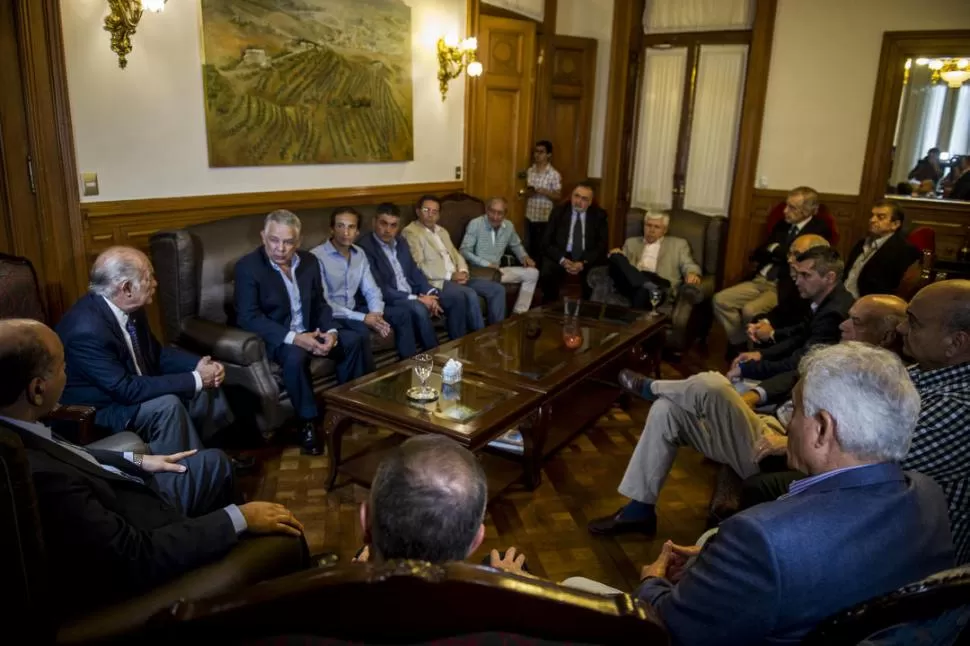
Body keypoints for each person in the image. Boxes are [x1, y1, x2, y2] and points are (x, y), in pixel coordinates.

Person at [635, 343, 953, 645]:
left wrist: (652, 582)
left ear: (822, 428)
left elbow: (675, 631)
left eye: (796, 410)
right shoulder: (929, 494)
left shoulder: (760, 539)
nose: (788, 425)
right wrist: (723, 566)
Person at [0, 319, 306, 615]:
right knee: (282, 530)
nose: (69, 374)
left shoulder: (19, 426)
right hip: (147, 533)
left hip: (129, 491)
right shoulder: (40, 476)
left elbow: (76, 454)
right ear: (37, 389)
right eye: (64, 366)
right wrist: (237, 519)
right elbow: (135, 556)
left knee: (213, 462)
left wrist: (140, 460)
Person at [587, 294, 907, 538]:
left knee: (713, 384)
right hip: (770, 423)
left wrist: (784, 442)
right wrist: (758, 395)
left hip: (777, 449)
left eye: (856, 322)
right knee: (667, 409)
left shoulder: (878, 381)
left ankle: (652, 386)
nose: (842, 324)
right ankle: (639, 510)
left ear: (886, 335)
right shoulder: (848, 357)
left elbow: (849, 443)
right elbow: (795, 374)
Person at [743, 280, 970, 564]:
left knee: (761, 500)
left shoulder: (960, 406)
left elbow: (859, 464)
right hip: (872, 509)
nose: (900, 329)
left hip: (896, 549)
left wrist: (799, 438)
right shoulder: (925, 371)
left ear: (956, 342)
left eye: (913, 322)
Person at [57, 246, 234, 456]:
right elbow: (126, 389)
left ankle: (213, 455)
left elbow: (156, 354)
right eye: (149, 278)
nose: (155, 284)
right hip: (101, 411)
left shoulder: (132, 308)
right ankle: (182, 475)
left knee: (205, 385)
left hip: (129, 391)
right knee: (169, 405)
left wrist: (199, 366)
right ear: (127, 288)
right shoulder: (86, 330)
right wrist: (195, 378)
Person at [234, 210, 367, 456]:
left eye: (288, 242)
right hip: (278, 338)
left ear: (299, 241)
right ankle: (307, 423)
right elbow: (248, 317)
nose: (280, 248)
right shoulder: (248, 268)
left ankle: (348, 408)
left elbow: (319, 304)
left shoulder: (308, 262)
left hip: (310, 330)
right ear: (263, 236)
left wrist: (331, 332)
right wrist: (295, 338)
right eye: (274, 240)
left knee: (354, 339)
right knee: (295, 357)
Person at [713, 186, 833, 354]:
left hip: (783, 285)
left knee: (750, 310)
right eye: (786, 205)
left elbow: (797, 259)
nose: (785, 211)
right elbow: (760, 251)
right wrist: (777, 252)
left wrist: (776, 251)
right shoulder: (782, 225)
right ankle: (739, 342)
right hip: (761, 278)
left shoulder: (819, 229)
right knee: (721, 300)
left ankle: (753, 352)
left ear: (807, 211)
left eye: (792, 207)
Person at [726, 246, 853, 387]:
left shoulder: (833, 313)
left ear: (829, 277)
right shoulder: (824, 300)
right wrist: (762, 355)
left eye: (806, 275)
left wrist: (748, 370)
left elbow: (800, 362)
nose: (798, 281)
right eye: (798, 274)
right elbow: (798, 337)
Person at [353, 435, 486, 564]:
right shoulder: (497, 584)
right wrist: (502, 578)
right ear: (476, 542)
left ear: (365, 519)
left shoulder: (338, 580)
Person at [310, 207, 414, 364]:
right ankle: (366, 381)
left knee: (403, 314)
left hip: (354, 308)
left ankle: (411, 368)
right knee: (361, 331)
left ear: (357, 231)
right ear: (331, 229)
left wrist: (376, 313)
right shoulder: (316, 257)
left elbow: (371, 289)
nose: (346, 232)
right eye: (340, 226)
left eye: (351, 227)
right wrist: (364, 318)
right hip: (333, 314)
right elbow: (325, 303)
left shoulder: (360, 253)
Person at [358, 203, 469, 347]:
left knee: (456, 298)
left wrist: (431, 293)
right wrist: (419, 299)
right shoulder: (364, 248)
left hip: (414, 292)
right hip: (393, 298)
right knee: (418, 308)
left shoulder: (401, 241)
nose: (388, 230)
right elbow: (381, 289)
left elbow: (414, 271)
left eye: (393, 225)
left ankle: (457, 349)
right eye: (383, 223)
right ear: (374, 222)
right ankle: (434, 355)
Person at [403, 195, 506, 327]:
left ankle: (497, 333)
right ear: (418, 211)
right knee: (469, 294)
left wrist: (463, 271)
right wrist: (450, 276)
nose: (430, 214)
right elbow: (418, 265)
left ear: (439, 215)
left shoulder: (442, 231)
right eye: (426, 210)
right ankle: (479, 338)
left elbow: (456, 254)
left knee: (497, 289)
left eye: (434, 211)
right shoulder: (411, 232)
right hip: (438, 281)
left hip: (457, 276)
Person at [606, 212, 702, 310]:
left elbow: (688, 264)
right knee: (615, 256)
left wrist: (692, 273)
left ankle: (646, 285)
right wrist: (615, 255)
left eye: (656, 227)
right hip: (632, 282)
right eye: (648, 225)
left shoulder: (678, 245)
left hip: (658, 282)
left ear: (664, 230)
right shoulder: (631, 242)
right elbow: (623, 267)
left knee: (643, 288)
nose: (651, 230)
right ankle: (644, 282)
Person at [459, 196, 539, 315]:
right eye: (492, 212)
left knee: (533, 273)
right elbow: (464, 250)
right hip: (478, 272)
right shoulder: (475, 224)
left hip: (498, 271)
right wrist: (486, 264)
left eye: (500, 213)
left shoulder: (509, 226)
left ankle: (519, 314)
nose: (495, 217)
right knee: (495, 278)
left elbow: (516, 245)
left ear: (505, 214)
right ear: (487, 210)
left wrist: (524, 257)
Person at [746, 233, 830, 342]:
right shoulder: (790, 281)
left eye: (796, 254)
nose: (790, 260)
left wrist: (772, 334)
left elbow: (803, 334)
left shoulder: (820, 290)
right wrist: (763, 323)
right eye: (789, 254)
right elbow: (782, 312)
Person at [539, 180, 609, 303]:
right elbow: (546, 242)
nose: (578, 201)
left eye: (584, 199)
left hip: (586, 256)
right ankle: (549, 311)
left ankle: (587, 314)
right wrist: (562, 260)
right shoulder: (559, 212)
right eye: (576, 196)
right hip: (562, 254)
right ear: (571, 196)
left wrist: (583, 263)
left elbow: (601, 246)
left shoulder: (599, 215)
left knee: (595, 275)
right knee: (547, 271)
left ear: (590, 202)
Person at [843, 200, 921, 298]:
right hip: (844, 299)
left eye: (880, 217)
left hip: (868, 305)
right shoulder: (862, 243)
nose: (872, 220)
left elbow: (892, 289)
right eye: (872, 215)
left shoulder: (904, 250)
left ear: (895, 224)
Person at [524, 140, 562, 260]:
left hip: (544, 218)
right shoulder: (530, 171)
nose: (537, 155)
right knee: (529, 247)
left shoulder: (554, 174)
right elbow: (526, 191)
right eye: (536, 151)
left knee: (541, 249)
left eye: (541, 152)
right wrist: (528, 192)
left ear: (549, 155)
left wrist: (544, 191)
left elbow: (558, 195)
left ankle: (541, 274)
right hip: (530, 215)